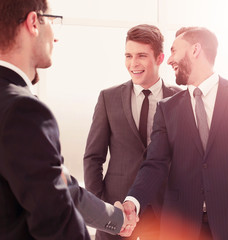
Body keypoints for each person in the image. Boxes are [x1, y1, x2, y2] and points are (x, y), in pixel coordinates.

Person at [123, 27, 228, 240]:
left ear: (195, 50)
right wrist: (133, 201)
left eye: (174, 51)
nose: (169, 59)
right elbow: (154, 164)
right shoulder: (167, 109)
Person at [0, 0, 130, 239]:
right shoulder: (23, 110)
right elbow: (55, 219)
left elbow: (61, 186)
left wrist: (117, 219)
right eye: (52, 22)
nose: (56, 38)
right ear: (33, 22)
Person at [83, 24, 181, 240]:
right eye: (128, 55)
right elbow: (93, 158)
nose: (133, 63)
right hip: (116, 212)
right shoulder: (109, 98)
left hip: (164, 213)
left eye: (141, 56)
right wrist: (101, 206)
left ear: (160, 58)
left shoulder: (180, 99)